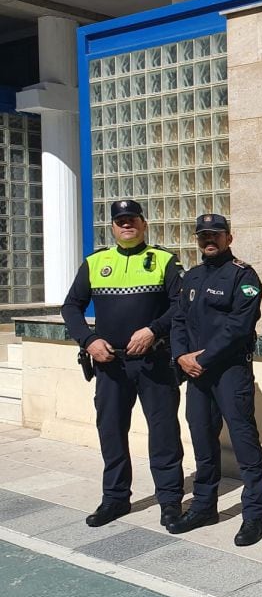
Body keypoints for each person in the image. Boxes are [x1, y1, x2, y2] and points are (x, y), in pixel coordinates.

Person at [61, 199, 186, 528]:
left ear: (143, 224)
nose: (126, 225)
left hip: (154, 361)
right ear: (113, 227)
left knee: (164, 433)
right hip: (110, 363)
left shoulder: (164, 261)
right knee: (111, 432)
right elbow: (71, 307)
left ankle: (170, 500)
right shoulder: (95, 262)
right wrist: (88, 341)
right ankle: (115, 498)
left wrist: (153, 329)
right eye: (120, 221)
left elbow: (180, 307)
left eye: (132, 219)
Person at [168, 213, 262, 546]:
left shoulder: (243, 276)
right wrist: (181, 357)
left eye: (215, 235)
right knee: (203, 443)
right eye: (203, 236)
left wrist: (202, 359)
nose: (209, 240)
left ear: (229, 237)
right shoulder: (191, 277)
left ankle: (254, 516)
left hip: (229, 373)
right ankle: (204, 506)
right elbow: (178, 321)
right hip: (197, 377)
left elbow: (238, 328)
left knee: (244, 445)